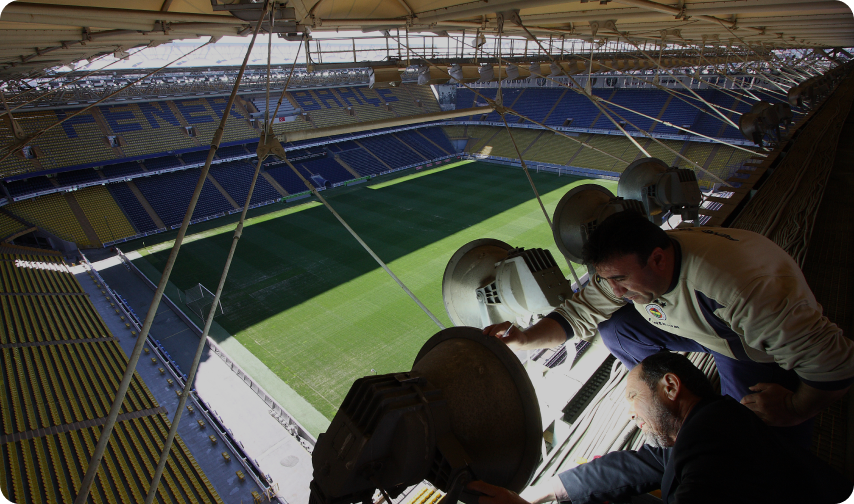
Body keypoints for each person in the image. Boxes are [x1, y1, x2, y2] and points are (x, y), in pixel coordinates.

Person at [484, 211, 854, 441]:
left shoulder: (743, 289)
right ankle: (674, 408)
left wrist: (794, 406)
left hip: (747, 345)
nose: (614, 291)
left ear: (658, 259)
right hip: (710, 328)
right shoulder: (635, 265)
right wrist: (525, 339)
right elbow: (578, 313)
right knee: (618, 329)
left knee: (758, 431)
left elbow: (834, 365)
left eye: (620, 280)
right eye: (606, 280)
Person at [467, 352, 853, 504]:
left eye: (633, 398)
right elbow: (642, 465)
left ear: (670, 386)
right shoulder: (716, 424)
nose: (631, 415)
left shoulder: (716, 452)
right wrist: (543, 492)